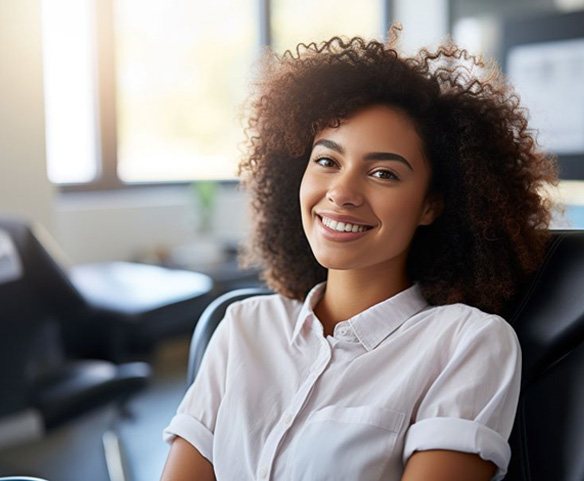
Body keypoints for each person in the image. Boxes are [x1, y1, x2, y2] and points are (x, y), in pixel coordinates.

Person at [160, 28, 558, 481]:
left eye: (384, 173)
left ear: (432, 204)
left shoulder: (467, 343)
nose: (342, 193)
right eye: (327, 161)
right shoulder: (243, 328)